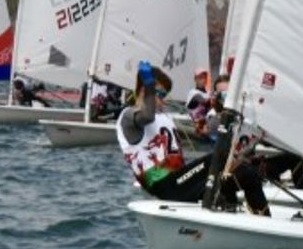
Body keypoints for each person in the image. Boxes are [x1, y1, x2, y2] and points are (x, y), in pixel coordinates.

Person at [116, 62, 272, 214]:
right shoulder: (129, 116)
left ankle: (262, 223)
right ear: (145, 91)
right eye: (161, 94)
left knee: (247, 174)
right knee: (215, 158)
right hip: (167, 189)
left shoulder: (163, 117)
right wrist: (149, 85)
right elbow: (146, 116)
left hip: (182, 184)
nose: (164, 100)